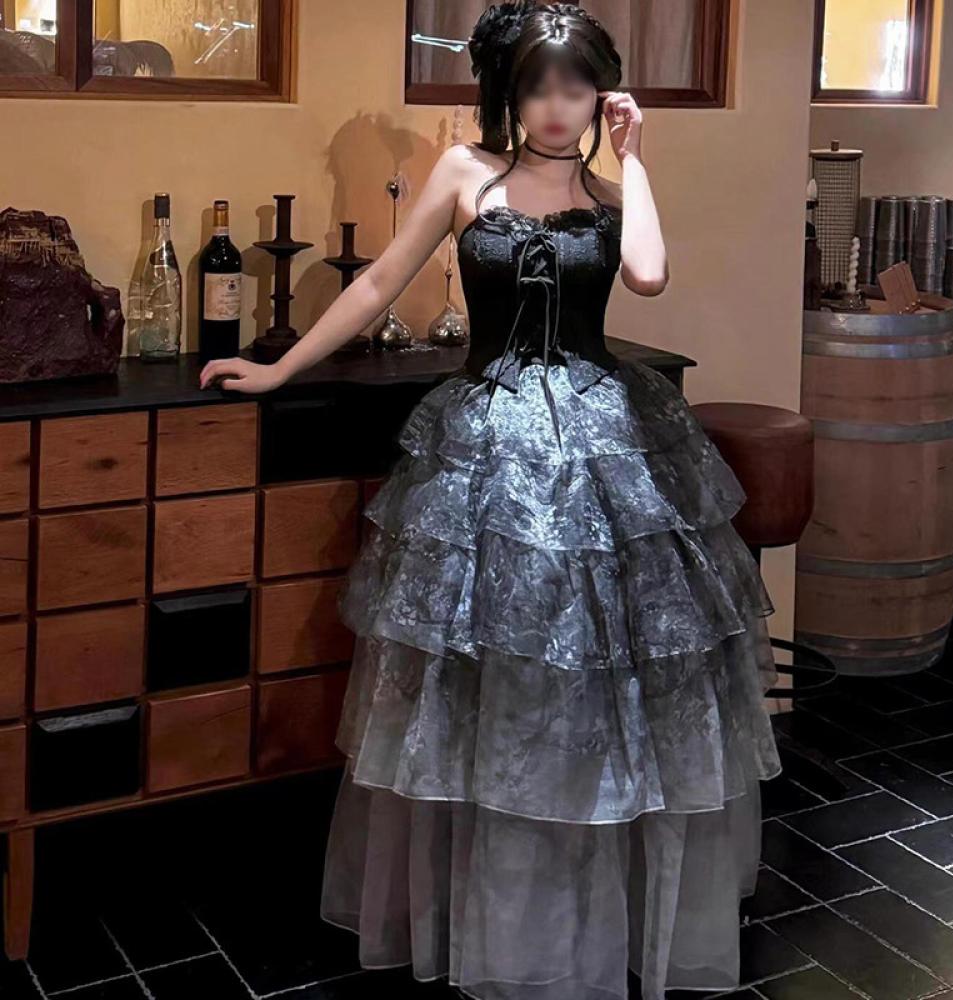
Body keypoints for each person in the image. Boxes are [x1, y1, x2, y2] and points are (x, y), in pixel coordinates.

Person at [200, 4, 782, 998]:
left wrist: (637, 159)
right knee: (485, 669)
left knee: (595, 673)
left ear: (601, 94)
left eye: (575, 86)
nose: (556, 107)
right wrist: (280, 367)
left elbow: (648, 276)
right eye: (536, 87)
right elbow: (380, 282)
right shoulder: (465, 173)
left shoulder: (611, 191)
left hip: (604, 445)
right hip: (486, 444)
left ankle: (586, 901)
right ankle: (489, 903)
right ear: (507, 93)